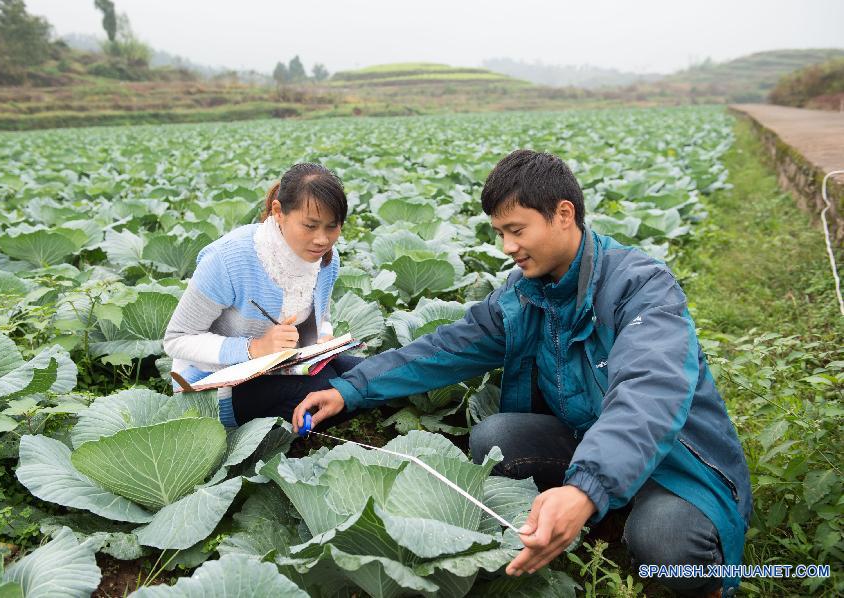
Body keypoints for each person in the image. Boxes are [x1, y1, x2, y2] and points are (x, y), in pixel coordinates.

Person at [292, 150, 752, 597]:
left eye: (516, 230)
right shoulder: (529, 292)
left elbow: (647, 395)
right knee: (498, 435)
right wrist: (350, 388)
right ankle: (600, 505)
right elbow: (449, 346)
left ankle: (697, 575)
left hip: (676, 462)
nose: (508, 247)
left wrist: (586, 488)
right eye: (499, 233)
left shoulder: (640, 286)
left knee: (665, 542)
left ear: (563, 214)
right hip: (589, 437)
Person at [164, 162, 362, 429]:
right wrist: (254, 348)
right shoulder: (229, 258)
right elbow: (177, 340)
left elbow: (321, 317)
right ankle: (249, 434)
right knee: (325, 389)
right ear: (278, 212)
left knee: (361, 376)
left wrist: (323, 338)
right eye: (310, 225)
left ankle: (286, 428)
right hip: (212, 384)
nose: (322, 239)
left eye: (332, 227)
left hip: (278, 367)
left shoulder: (326, 260)